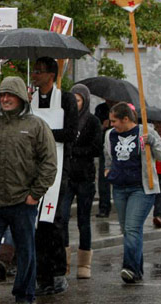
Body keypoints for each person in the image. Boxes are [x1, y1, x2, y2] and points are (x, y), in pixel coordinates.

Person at [0, 76, 58, 304]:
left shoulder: (36, 126)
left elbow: (49, 162)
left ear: (21, 98)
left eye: (10, 95)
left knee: (26, 252)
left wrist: (35, 193)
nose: (5, 99)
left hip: (22, 202)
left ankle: (25, 295)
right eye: (2, 95)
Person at [104, 102, 161, 283]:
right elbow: (108, 157)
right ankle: (137, 271)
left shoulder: (145, 131)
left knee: (132, 228)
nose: (112, 125)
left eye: (114, 121)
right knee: (129, 230)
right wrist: (107, 171)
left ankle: (129, 268)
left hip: (141, 188)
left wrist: (153, 142)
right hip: (119, 187)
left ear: (126, 119)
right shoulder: (110, 135)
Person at [30, 57, 78, 296]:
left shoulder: (66, 99)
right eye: (34, 71)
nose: (34, 76)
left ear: (51, 75)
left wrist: (44, 134)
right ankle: (41, 275)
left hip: (59, 167)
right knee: (36, 224)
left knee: (53, 221)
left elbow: (70, 133)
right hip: (34, 166)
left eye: (39, 72)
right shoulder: (31, 99)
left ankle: (57, 273)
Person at [61, 84, 101, 279]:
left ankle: (84, 263)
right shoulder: (65, 119)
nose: (75, 103)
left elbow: (96, 148)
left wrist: (75, 151)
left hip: (85, 177)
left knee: (83, 220)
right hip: (67, 176)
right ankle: (64, 260)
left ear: (84, 101)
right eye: (73, 100)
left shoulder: (92, 122)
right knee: (62, 216)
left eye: (78, 100)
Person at [95, 101, 114, 218]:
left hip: (118, 147)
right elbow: (96, 129)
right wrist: (103, 126)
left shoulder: (122, 108)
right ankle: (104, 207)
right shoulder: (101, 109)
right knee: (103, 179)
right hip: (104, 147)